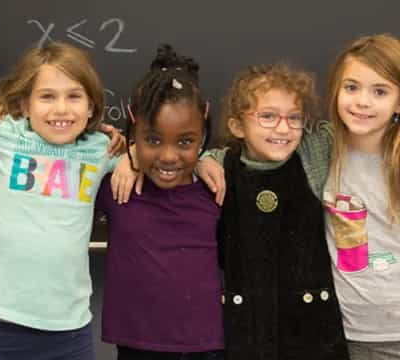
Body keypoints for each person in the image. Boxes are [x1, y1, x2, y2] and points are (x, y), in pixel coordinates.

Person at [0, 41, 124, 360]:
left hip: (70, 331)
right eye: (47, 96)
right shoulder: (3, 129)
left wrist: (205, 158)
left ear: (91, 107)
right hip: (1, 327)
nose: (61, 109)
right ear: (25, 104)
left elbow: (156, 158)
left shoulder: (101, 149)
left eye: (74, 96)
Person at [194, 63, 350, 359]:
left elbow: (362, 126)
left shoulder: (313, 154)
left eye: (294, 118)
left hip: (314, 332)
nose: (283, 128)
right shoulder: (218, 168)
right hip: (246, 332)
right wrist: (201, 160)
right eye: (267, 117)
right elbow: (173, 157)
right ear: (237, 126)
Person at [97, 44, 224, 360]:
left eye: (185, 141)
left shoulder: (216, 187)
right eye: (152, 140)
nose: (168, 156)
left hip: (208, 345)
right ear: (133, 127)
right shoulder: (118, 186)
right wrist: (123, 158)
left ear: (204, 129)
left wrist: (206, 159)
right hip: (138, 345)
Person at [323, 33, 400, 359]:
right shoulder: (319, 153)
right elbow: (252, 153)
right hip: (345, 331)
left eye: (379, 91)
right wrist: (207, 160)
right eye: (351, 87)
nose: (362, 101)